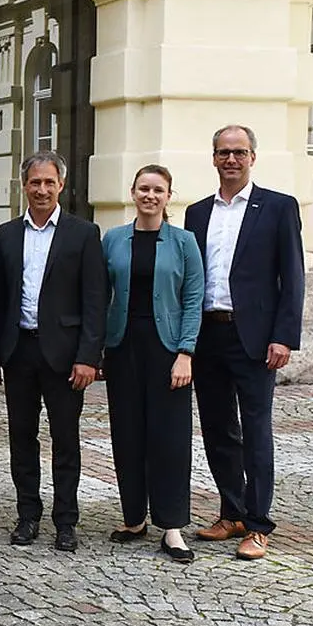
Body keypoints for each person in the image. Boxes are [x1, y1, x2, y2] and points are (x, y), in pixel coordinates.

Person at [184, 125, 305, 561]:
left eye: (239, 152)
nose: (231, 160)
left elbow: (292, 276)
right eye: (223, 153)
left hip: (254, 336)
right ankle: (231, 511)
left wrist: (283, 336)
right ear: (213, 158)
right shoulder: (197, 213)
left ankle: (258, 524)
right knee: (217, 429)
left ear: (253, 156)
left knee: (256, 431)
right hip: (208, 333)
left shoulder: (277, 207)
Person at [0, 151, 107, 553]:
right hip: (19, 350)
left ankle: (66, 520)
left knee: (66, 439)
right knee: (22, 438)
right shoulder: (6, 234)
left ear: (61, 185)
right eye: (34, 182)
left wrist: (89, 357)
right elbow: (0, 298)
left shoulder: (83, 233)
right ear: (24, 186)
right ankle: (28, 516)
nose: (41, 189)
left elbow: (95, 299)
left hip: (65, 355)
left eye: (49, 182)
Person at [102, 165, 204, 563]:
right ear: (132, 193)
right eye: (143, 188)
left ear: (168, 196)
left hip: (168, 350)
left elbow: (194, 298)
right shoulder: (112, 240)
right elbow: (99, 295)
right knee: (127, 433)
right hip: (123, 346)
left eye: (158, 190)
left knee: (170, 438)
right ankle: (133, 518)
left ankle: (172, 525)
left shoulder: (184, 242)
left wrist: (186, 353)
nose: (150, 195)